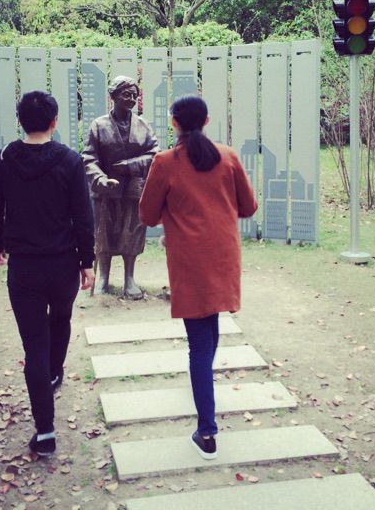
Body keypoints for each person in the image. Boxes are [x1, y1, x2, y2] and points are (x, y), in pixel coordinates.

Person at [138, 95, 257, 460]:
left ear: (173, 123)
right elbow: (249, 206)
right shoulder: (228, 156)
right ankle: (203, 389)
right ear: (206, 121)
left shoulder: (165, 162)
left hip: (189, 260)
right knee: (208, 331)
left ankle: (207, 432)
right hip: (222, 255)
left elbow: (147, 215)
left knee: (200, 345)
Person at [0, 90, 95, 457]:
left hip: (25, 268)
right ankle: (54, 372)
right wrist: (87, 261)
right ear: (54, 121)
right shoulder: (70, 160)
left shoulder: (2, 160)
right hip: (63, 265)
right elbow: (83, 215)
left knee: (34, 346)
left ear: (20, 121)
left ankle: (45, 432)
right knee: (61, 319)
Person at [82, 75, 159, 298]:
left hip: (133, 188)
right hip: (106, 191)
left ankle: (129, 279)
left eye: (135, 95)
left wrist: (130, 166)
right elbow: (89, 157)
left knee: (132, 232)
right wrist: (100, 179)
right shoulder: (99, 125)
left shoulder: (143, 125)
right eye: (126, 94)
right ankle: (103, 278)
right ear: (113, 96)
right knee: (104, 234)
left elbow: (154, 154)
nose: (131, 99)